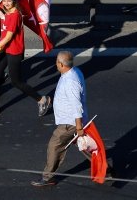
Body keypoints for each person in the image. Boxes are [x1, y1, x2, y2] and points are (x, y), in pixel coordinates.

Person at [0, 0, 51, 117]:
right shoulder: (7, 11)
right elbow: (3, 17)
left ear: (14, 1)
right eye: (4, 0)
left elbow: (7, 38)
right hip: (5, 49)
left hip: (14, 51)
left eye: (8, 0)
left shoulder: (15, 15)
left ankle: (42, 100)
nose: (6, 3)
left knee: (17, 82)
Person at [32, 51, 88, 187]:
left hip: (70, 123)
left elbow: (76, 105)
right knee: (86, 146)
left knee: (54, 146)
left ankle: (47, 177)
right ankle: (106, 169)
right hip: (72, 122)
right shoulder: (73, 72)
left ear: (62, 64)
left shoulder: (70, 81)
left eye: (57, 61)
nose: (55, 63)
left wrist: (79, 127)